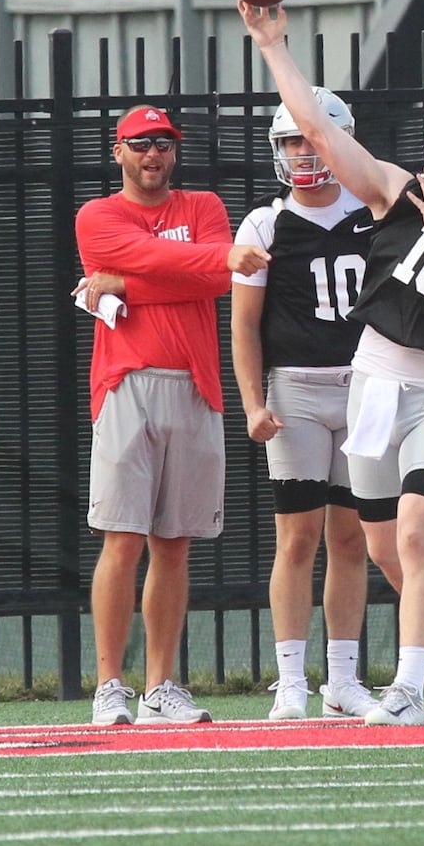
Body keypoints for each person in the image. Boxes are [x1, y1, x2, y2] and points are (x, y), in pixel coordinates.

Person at [238, 1, 424, 726]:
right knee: (379, 547)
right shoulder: (397, 192)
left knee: (414, 534)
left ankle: (404, 689)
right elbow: (317, 129)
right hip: (373, 379)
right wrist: (274, 48)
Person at [74, 104, 271, 726]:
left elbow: (210, 282)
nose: (153, 154)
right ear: (118, 150)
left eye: (163, 143)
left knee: (175, 543)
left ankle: (160, 686)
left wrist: (123, 284)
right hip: (126, 382)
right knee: (122, 538)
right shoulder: (97, 215)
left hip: (193, 384)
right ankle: (110, 685)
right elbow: (204, 267)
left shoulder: (204, 206)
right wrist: (207, 265)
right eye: (140, 144)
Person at [232, 88, 398, 720]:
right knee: (297, 538)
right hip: (295, 391)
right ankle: (292, 681)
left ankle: (344, 680)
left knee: (352, 537)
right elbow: (245, 327)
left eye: (312, 138)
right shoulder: (264, 224)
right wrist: (253, 402)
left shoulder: (377, 211)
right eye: (292, 140)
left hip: (365, 385)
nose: (302, 152)